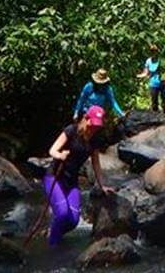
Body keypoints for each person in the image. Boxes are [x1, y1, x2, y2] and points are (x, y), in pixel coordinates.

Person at [45, 105, 113, 245]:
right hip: (55, 178)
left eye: (97, 126)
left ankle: (53, 231)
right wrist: (60, 155)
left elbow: (96, 164)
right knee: (63, 213)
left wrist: (102, 185)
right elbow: (52, 150)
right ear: (86, 119)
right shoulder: (71, 131)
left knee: (74, 221)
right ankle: (52, 248)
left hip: (71, 182)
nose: (94, 128)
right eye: (92, 124)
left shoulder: (95, 140)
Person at [137, 45, 162, 111]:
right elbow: (146, 73)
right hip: (153, 83)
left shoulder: (160, 60)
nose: (153, 53)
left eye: (154, 51)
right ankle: (156, 117)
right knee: (154, 103)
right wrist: (138, 76)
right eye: (152, 51)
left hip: (162, 82)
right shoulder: (148, 61)